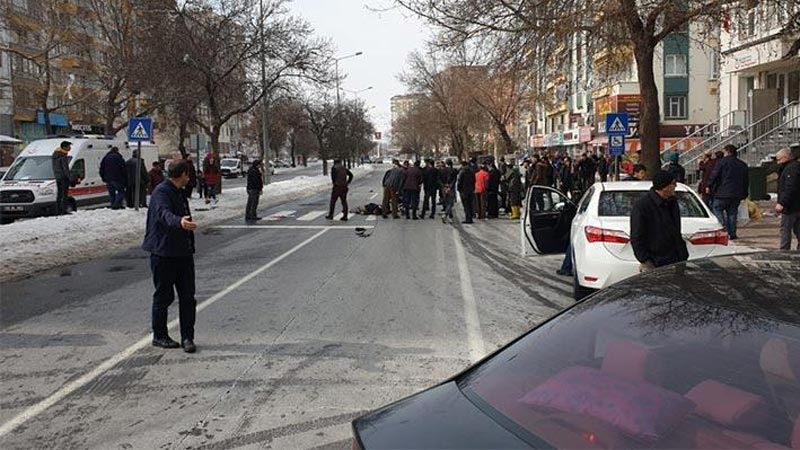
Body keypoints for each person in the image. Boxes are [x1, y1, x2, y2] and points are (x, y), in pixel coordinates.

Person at [142, 160, 198, 353]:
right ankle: (159, 335)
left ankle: (187, 337)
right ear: (182, 174)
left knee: (188, 297)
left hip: (182, 252)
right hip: (163, 253)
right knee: (163, 296)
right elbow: (164, 214)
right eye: (188, 174)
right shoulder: (162, 192)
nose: (189, 177)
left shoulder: (178, 192)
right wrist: (179, 222)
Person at [630, 171, 689, 273]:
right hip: (655, 261)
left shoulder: (672, 202)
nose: (675, 186)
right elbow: (637, 236)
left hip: (676, 259)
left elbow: (675, 229)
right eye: (673, 183)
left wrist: (682, 253)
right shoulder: (642, 206)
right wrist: (645, 260)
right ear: (664, 187)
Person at [708, 144, 749, 240]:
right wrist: (744, 193)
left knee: (717, 209)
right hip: (736, 193)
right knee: (732, 213)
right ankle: (732, 233)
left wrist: (709, 185)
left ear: (727, 151)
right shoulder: (742, 164)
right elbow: (746, 180)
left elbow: (715, 175)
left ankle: (723, 230)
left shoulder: (722, 162)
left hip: (722, 192)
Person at [776, 147, 800, 250]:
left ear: (785, 157)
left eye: (779, 159)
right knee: (798, 229)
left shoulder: (791, 169)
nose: (778, 162)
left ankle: (784, 251)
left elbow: (790, 187)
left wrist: (782, 203)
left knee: (785, 230)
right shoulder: (794, 167)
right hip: (796, 204)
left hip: (791, 206)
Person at [52, 141, 78, 215]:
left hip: (57, 176)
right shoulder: (63, 156)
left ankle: (58, 211)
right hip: (63, 177)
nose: (70, 148)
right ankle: (63, 210)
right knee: (64, 194)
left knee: (59, 194)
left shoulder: (55, 155)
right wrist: (70, 178)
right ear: (64, 147)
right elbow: (65, 168)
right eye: (68, 146)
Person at [440, 159, 458, 223]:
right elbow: (455, 179)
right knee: (450, 202)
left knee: (447, 202)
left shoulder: (442, 170)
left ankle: (450, 216)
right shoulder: (454, 170)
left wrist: (444, 186)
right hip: (451, 188)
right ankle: (446, 214)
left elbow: (439, 179)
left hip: (444, 188)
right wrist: (450, 186)